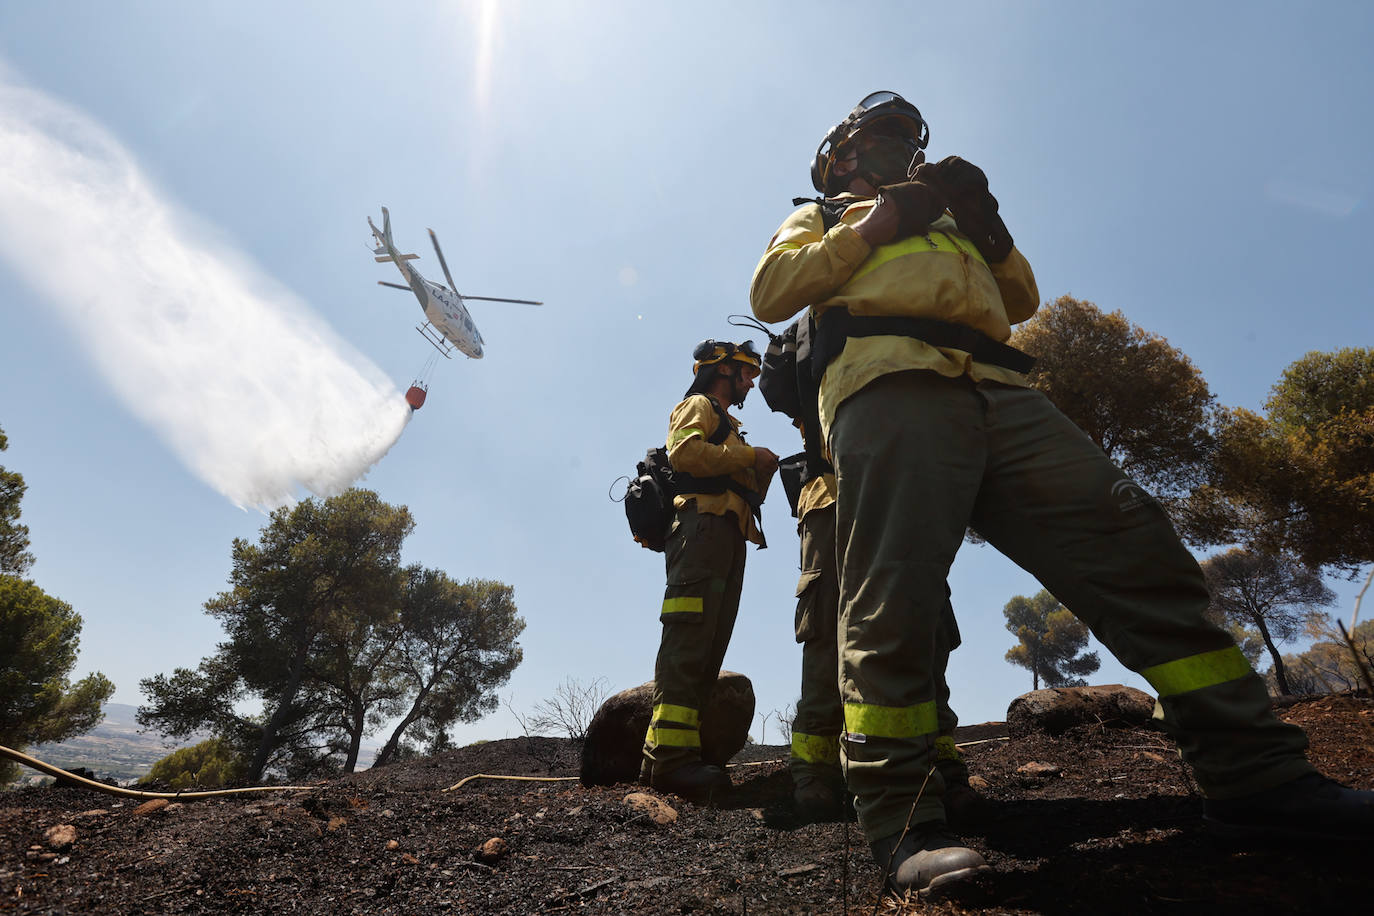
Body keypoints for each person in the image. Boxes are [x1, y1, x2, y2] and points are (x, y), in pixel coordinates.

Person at [750, 90, 1374, 897]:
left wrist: (984, 219)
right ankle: (903, 819)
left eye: (908, 136)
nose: (899, 146)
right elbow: (772, 291)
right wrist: (876, 222)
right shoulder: (824, 214)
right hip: (888, 378)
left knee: (1135, 543)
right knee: (893, 597)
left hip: (1000, 388)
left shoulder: (949, 220)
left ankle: (1256, 777)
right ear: (839, 155)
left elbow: (1019, 300)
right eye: (882, 135)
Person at [783, 431, 982, 827]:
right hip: (830, 492)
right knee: (826, 624)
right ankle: (816, 771)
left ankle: (939, 762)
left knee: (921, 617)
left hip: (904, 486)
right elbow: (781, 384)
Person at [641, 339, 779, 803]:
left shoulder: (732, 427)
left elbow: (736, 478)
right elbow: (686, 455)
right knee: (690, 636)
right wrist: (749, 456)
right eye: (745, 372)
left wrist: (763, 466)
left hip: (726, 535)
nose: (751, 382)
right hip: (700, 529)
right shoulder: (697, 405)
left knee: (712, 639)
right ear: (721, 369)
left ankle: (685, 754)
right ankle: (668, 762)